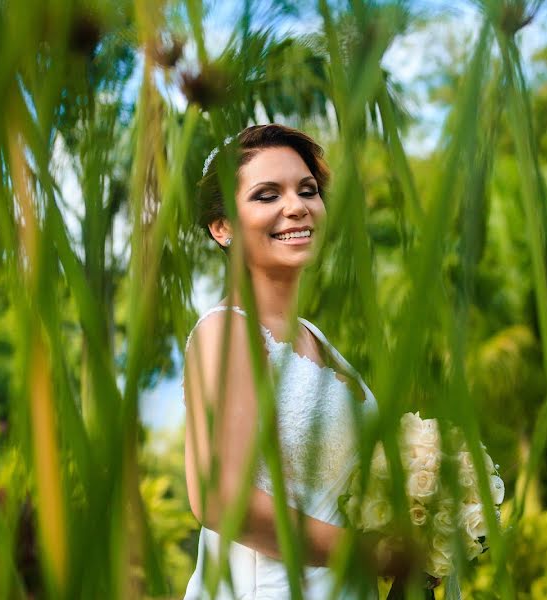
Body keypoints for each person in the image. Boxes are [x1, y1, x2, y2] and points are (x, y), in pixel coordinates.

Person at [180, 124, 424, 599]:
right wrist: (372, 553)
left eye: (307, 190)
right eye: (266, 195)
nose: (297, 206)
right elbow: (218, 497)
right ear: (222, 226)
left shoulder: (317, 341)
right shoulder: (227, 333)